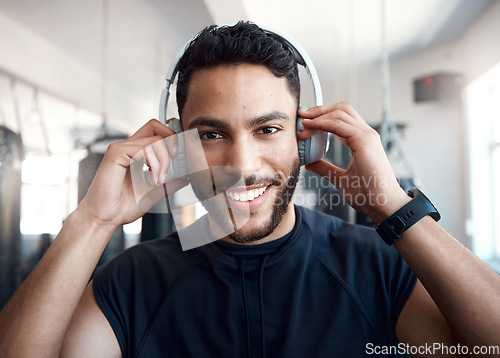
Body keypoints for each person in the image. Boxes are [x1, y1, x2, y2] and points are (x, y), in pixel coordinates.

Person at [0, 21, 499, 358]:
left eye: (267, 129)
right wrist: (93, 222)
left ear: (308, 140)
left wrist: (394, 208)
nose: (241, 165)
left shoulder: (379, 267)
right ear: (178, 145)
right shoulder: (131, 282)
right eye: (212, 134)